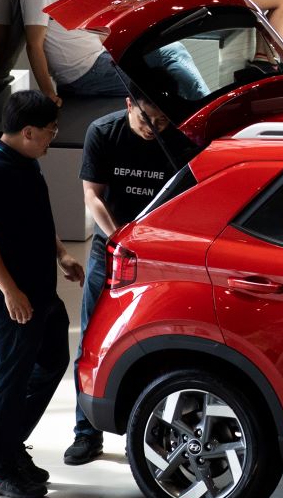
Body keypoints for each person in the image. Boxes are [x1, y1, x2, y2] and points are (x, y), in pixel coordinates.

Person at [63, 94, 196, 465]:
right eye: (146, 118)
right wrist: (119, 238)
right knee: (92, 339)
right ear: (128, 105)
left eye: (162, 122)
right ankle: (85, 433)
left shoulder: (179, 140)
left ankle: (149, 433)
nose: (153, 129)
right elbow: (92, 196)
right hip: (111, 249)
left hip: (161, 255)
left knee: (160, 342)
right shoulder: (103, 132)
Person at [0, 90, 85, 498]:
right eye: (50, 131)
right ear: (29, 131)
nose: (54, 137)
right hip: (14, 298)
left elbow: (35, 219)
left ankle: (9, 444)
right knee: (11, 378)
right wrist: (10, 292)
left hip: (40, 289)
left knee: (52, 359)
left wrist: (62, 253)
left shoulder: (26, 161)